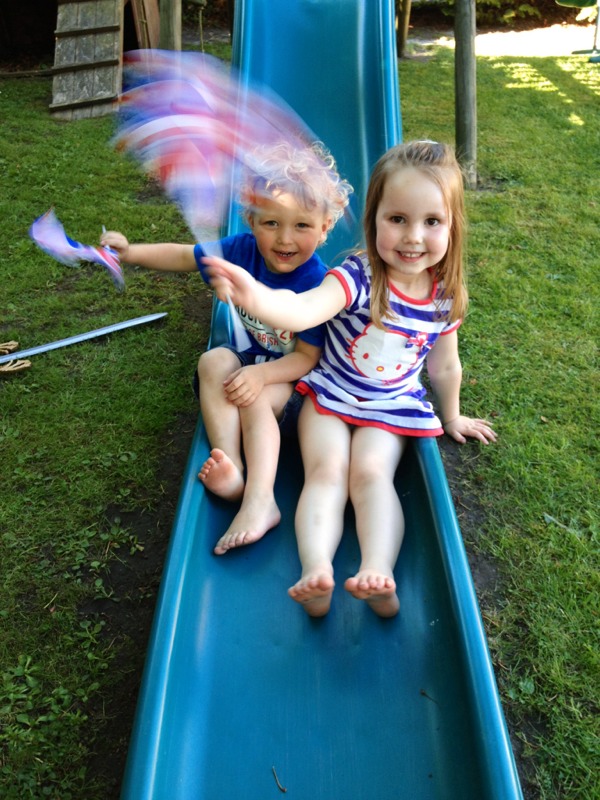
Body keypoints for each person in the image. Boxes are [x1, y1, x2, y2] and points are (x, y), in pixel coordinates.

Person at [205, 140, 497, 618]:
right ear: (373, 218)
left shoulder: (444, 297)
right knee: (326, 473)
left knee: (371, 475)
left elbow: (445, 365)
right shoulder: (357, 276)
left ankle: (377, 572)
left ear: (452, 226)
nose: (413, 237)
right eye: (397, 219)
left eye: (432, 222)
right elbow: (303, 309)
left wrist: (453, 416)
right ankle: (316, 570)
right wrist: (255, 295)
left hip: (390, 407)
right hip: (330, 396)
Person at [101, 141, 352, 556]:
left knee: (254, 398)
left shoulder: (317, 285)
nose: (285, 238)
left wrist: (260, 375)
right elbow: (185, 256)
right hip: (256, 362)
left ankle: (261, 499)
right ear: (250, 220)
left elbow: (308, 358)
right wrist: (131, 253)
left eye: (302, 226)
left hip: (300, 388)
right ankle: (231, 462)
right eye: (271, 223)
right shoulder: (240, 251)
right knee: (213, 360)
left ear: (325, 227)